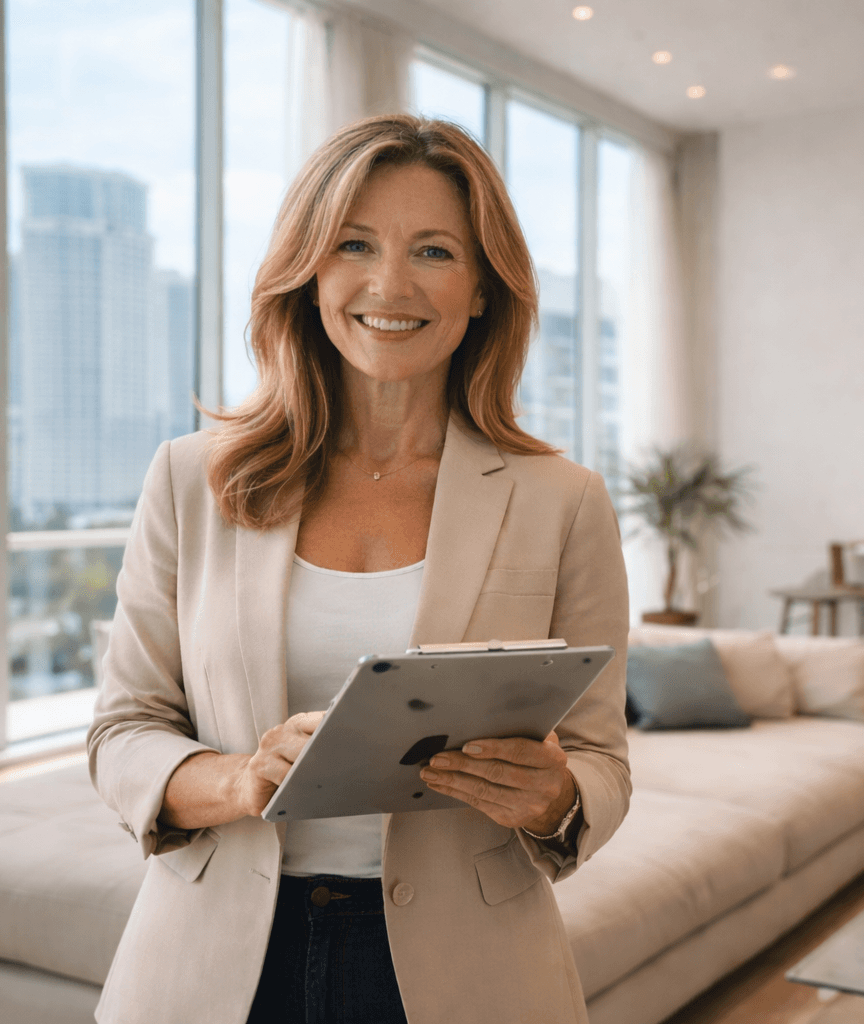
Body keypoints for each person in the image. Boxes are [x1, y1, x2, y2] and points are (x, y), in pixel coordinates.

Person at [87, 113, 630, 1024]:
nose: (389, 284)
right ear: (309, 272)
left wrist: (553, 797)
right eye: (354, 243)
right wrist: (242, 780)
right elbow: (124, 730)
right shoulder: (192, 479)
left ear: (484, 289)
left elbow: (603, 760)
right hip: (214, 964)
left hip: (464, 973)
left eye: (433, 251)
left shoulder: (563, 500)